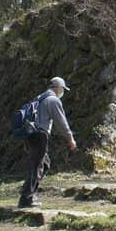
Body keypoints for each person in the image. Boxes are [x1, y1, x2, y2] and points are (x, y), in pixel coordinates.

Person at [18, 76, 76, 208]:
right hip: (40, 134)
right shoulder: (53, 100)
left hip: (30, 134)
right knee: (37, 166)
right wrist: (70, 139)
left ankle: (29, 194)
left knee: (44, 164)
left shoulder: (40, 97)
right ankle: (27, 198)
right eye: (63, 89)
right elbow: (61, 122)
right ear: (58, 88)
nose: (63, 92)